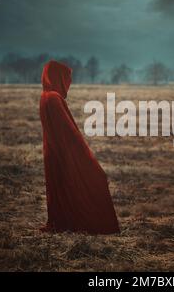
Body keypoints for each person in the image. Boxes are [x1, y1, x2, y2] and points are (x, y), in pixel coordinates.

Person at [39, 60, 120, 234]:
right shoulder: (53, 98)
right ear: (58, 77)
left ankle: (65, 223)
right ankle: (92, 224)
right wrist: (86, 158)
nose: (69, 84)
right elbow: (69, 134)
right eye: (67, 79)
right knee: (94, 178)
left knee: (60, 188)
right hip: (64, 153)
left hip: (53, 153)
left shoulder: (46, 96)